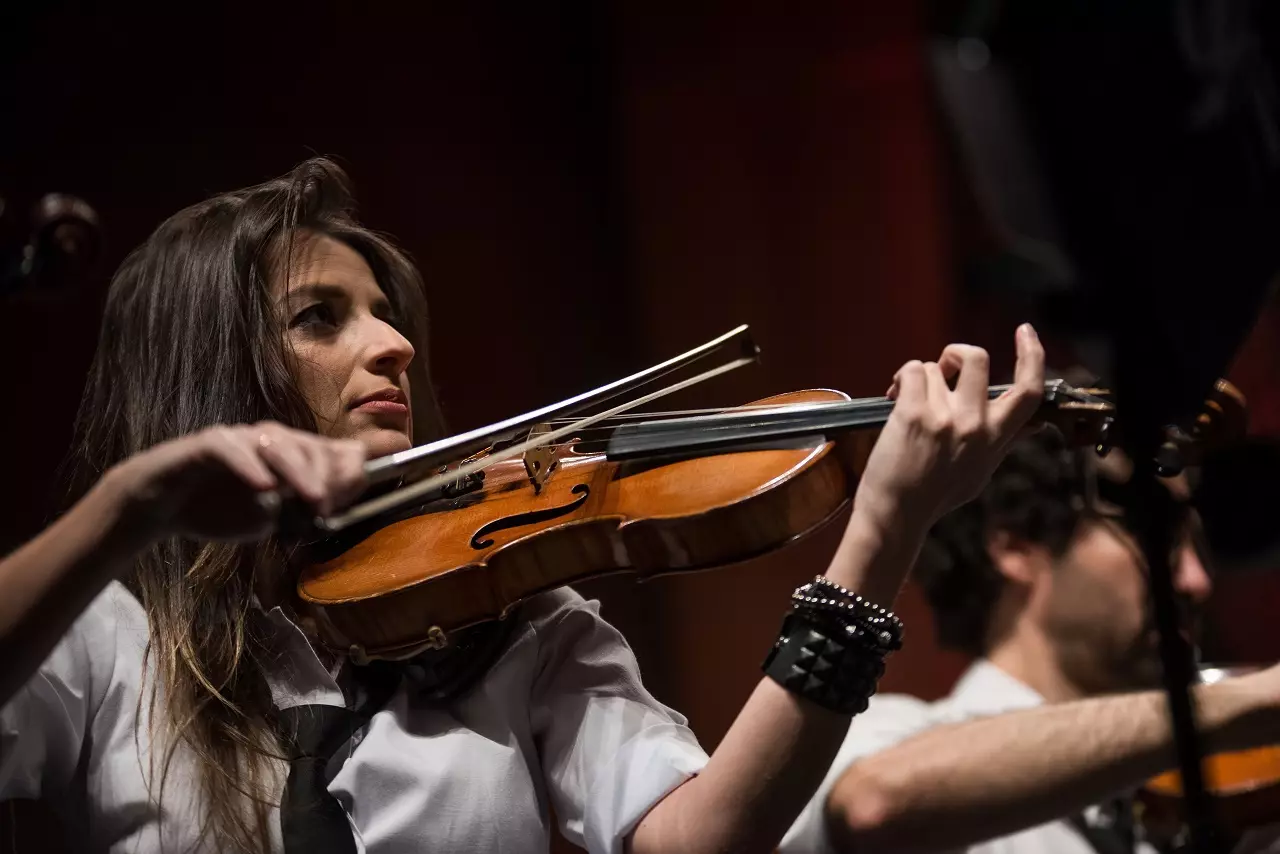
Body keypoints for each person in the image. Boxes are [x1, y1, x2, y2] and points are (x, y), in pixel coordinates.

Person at [0, 157, 1046, 854]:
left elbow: (706, 837)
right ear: (210, 373)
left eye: (386, 313)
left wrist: (880, 532)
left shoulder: (509, 624)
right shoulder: (107, 635)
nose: (393, 345)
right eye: (321, 317)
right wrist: (132, 505)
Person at [780, 423, 1280, 854]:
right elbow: (873, 803)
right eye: (1152, 530)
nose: (1195, 581)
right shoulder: (885, 733)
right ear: (1017, 541)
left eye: (1196, 544)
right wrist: (1229, 706)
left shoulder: (1161, 815)